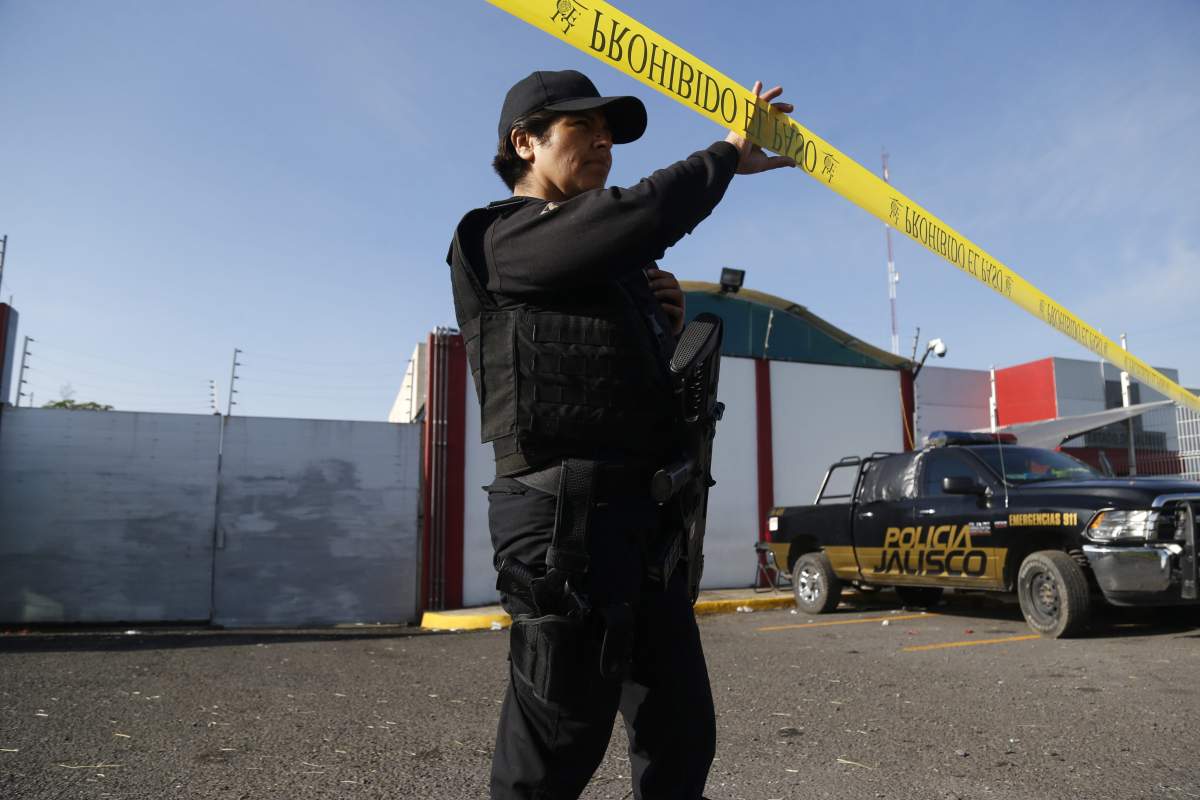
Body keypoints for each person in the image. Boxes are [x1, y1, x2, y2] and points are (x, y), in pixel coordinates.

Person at [446, 69, 794, 800]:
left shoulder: (619, 268)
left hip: (646, 521)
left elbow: (623, 377)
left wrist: (659, 322)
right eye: (583, 128)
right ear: (526, 143)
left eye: (611, 131)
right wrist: (726, 155)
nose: (604, 142)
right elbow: (637, 213)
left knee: (680, 732)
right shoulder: (496, 237)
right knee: (556, 744)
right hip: (561, 523)